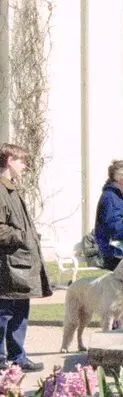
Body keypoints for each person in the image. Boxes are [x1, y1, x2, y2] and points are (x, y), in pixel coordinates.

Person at [0, 144, 50, 372]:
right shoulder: (1, 190)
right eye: (22, 161)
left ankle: (17, 357)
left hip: (19, 262)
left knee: (19, 312)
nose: (25, 166)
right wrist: (24, 237)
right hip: (9, 263)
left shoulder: (11, 189)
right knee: (5, 313)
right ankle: (4, 359)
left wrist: (29, 236)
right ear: (10, 160)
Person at [93, 159, 123, 270]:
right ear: (117, 177)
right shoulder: (111, 197)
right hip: (115, 252)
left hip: (122, 249)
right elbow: (115, 227)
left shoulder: (120, 196)